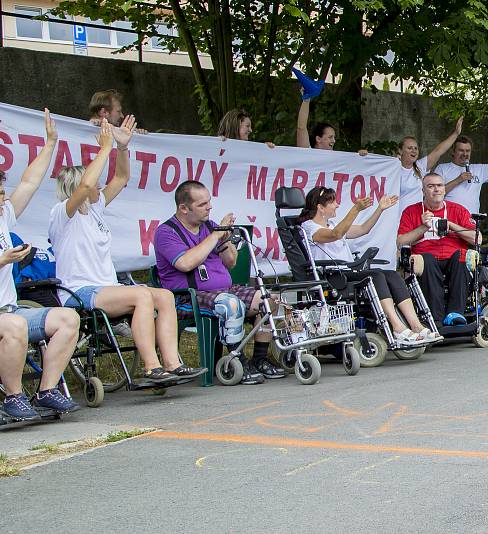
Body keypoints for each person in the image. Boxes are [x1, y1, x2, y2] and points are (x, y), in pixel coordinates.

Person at [49, 117, 205, 383]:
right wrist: (104, 147)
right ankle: (151, 367)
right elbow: (88, 184)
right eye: (93, 183)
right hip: (81, 291)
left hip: (107, 288)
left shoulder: (94, 210)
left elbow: (121, 177)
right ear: (78, 189)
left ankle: (171, 363)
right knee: (142, 296)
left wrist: (122, 147)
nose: (99, 186)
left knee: (164, 296)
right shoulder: (63, 214)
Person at [0, 109, 80, 419]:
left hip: (8, 311)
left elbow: (30, 181)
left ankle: (46, 391)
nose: (5, 198)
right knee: (14, 324)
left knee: (67, 318)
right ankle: (13, 397)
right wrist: (2, 260)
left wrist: (50, 143)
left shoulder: (0, 218)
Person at [153, 180, 286, 384]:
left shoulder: (210, 226)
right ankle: (236, 361)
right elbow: (186, 263)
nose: (209, 207)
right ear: (183, 208)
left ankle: (259, 359)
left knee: (270, 299)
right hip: (189, 296)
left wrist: (224, 238)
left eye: (209, 202)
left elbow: (230, 262)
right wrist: (215, 236)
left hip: (224, 288)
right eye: (202, 204)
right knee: (229, 304)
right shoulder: (166, 232)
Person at [299, 186, 437, 344]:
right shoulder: (308, 227)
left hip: (345, 271)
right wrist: (356, 209)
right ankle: (397, 326)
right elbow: (335, 235)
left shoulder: (331, 224)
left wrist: (380, 209)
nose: (337, 205)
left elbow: (364, 229)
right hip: (331, 275)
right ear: (320, 207)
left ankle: (416, 325)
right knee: (375, 275)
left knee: (391, 274)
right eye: (333, 202)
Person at [397, 172, 479, 326]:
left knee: (462, 255)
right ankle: (435, 318)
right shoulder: (411, 211)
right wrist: (423, 227)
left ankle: (456, 314)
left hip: (453, 256)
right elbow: (401, 241)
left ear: (444, 189)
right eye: (431, 186)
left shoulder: (458, 210)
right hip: (426, 257)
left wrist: (451, 226)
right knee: (427, 259)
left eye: (440, 185)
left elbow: (477, 238)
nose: (436, 189)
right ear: (423, 191)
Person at [433, 131, 488, 216]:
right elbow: (435, 193)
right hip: (450, 219)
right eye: (461, 150)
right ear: (453, 152)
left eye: (467, 151)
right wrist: (458, 180)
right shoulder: (442, 168)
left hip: (471, 220)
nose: (465, 154)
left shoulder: (479, 169)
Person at [398, 117, 464, 211]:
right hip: (397, 218)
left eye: (416, 148)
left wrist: (456, 133)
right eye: (409, 148)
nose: (414, 151)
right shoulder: (393, 168)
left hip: (417, 217)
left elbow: (438, 151)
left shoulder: (420, 166)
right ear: (400, 151)